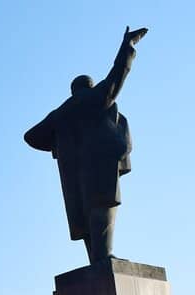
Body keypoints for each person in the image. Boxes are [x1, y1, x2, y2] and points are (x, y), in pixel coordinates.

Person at [24, 26, 149, 264]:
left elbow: (31, 137)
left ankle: (97, 259)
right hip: (99, 164)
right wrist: (128, 45)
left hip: (73, 172)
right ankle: (104, 258)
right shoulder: (96, 98)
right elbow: (118, 73)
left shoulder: (60, 114)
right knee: (103, 205)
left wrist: (57, 145)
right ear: (90, 87)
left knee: (86, 213)